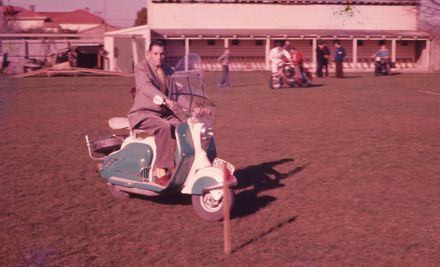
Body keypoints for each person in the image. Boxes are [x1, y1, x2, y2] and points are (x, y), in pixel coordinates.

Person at [127, 40, 180, 187]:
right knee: (163, 127)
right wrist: (166, 100)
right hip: (143, 113)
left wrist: (197, 106)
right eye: (155, 53)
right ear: (149, 54)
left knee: (185, 129)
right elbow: (145, 86)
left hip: (164, 113)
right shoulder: (141, 68)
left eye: (162, 54)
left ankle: (183, 165)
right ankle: (161, 171)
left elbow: (178, 93)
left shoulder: (169, 70)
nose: (159, 57)